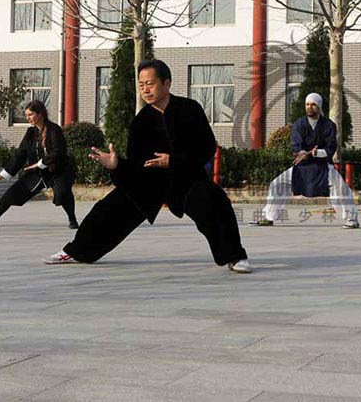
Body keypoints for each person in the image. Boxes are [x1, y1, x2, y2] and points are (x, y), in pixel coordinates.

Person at [43, 59, 252, 272]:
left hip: (186, 178)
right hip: (149, 182)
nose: (145, 89)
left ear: (166, 83)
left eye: (150, 84)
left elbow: (206, 147)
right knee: (108, 209)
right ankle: (76, 251)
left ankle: (235, 257)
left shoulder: (190, 109)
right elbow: (135, 167)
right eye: (141, 85)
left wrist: (173, 161)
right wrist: (117, 166)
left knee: (214, 202)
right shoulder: (141, 121)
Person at [259, 92, 359, 228]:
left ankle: (351, 219)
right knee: (277, 184)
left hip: (322, 166)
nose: (309, 107)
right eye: (307, 104)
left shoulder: (329, 125)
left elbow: (331, 147)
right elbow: (296, 143)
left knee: (341, 188)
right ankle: (268, 217)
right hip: (302, 166)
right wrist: (302, 153)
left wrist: (317, 153)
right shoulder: (299, 124)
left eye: (313, 105)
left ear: (319, 107)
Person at [0, 100, 78, 229]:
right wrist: (2, 175)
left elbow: (58, 152)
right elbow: (20, 155)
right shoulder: (31, 133)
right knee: (12, 193)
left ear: (40, 114)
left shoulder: (54, 130)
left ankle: (73, 220)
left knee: (63, 192)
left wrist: (40, 163)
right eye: (26, 115)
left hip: (58, 170)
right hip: (38, 172)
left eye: (30, 115)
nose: (27, 118)